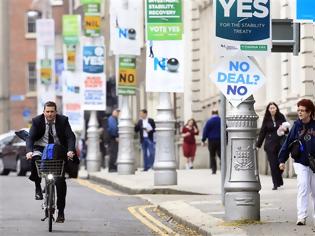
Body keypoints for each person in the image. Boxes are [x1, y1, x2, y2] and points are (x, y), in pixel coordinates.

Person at [26, 101, 76, 223]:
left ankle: (61, 212)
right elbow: (30, 137)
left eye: (52, 112)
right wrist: (29, 151)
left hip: (57, 150)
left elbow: (70, 136)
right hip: (41, 149)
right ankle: (38, 186)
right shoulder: (37, 121)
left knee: (60, 181)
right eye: (47, 111)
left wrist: (70, 150)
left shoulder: (63, 120)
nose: (49, 114)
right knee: (34, 159)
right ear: (44, 112)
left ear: (56, 112)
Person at [278, 99, 315, 226]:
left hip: (314, 164)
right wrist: (282, 160)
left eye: (302, 110)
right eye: (298, 110)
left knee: (314, 191)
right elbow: (287, 143)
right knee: (303, 186)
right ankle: (301, 216)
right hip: (300, 162)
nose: (299, 112)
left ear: (309, 112)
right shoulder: (296, 126)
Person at [256, 102, 287, 190]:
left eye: (274, 108)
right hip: (270, 145)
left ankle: (279, 179)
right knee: (273, 165)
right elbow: (262, 132)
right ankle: (275, 184)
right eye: (271, 108)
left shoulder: (281, 117)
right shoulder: (266, 119)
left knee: (280, 164)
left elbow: (287, 129)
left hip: (281, 144)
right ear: (268, 110)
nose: (272, 109)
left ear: (276, 108)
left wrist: (285, 129)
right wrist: (258, 145)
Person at [202, 110, 221, 174]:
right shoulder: (221, 120)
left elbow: (205, 131)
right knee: (221, 154)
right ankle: (223, 167)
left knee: (212, 155)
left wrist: (203, 140)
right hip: (220, 140)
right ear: (217, 113)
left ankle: (214, 170)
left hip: (211, 140)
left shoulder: (209, 121)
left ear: (211, 113)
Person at [107, 108, 120, 172]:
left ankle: (113, 167)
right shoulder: (112, 119)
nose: (118, 114)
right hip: (112, 139)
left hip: (113, 138)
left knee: (114, 153)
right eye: (117, 112)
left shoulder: (114, 119)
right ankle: (112, 168)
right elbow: (113, 129)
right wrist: (116, 137)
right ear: (113, 112)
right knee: (113, 153)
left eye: (118, 113)